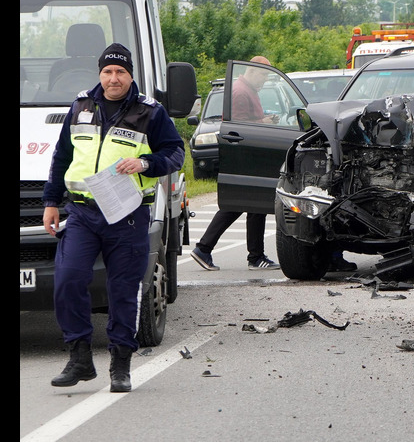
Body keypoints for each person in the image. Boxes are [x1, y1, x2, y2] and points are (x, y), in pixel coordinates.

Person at [42, 43, 185, 392]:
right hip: (82, 212)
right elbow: (62, 157)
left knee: (122, 291)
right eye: (107, 71)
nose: (113, 78)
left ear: (131, 75)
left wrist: (146, 164)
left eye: (120, 72)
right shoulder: (80, 107)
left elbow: (175, 152)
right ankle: (79, 358)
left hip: (128, 216)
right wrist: (50, 201)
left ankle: (121, 364)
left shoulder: (150, 112)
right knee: (68, 280)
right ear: (100, 74)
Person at [190, 56, 281, 271]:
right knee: (243, 204)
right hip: (244, 156)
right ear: (251, 71)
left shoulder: (246, 89)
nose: (265, 80)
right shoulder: (241, 91)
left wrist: (262, 120)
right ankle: (207, 248)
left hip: (246, 155)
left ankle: (252, 256)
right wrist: (264, 122)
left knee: (251, 205)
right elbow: (238, 126)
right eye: (263, 75)